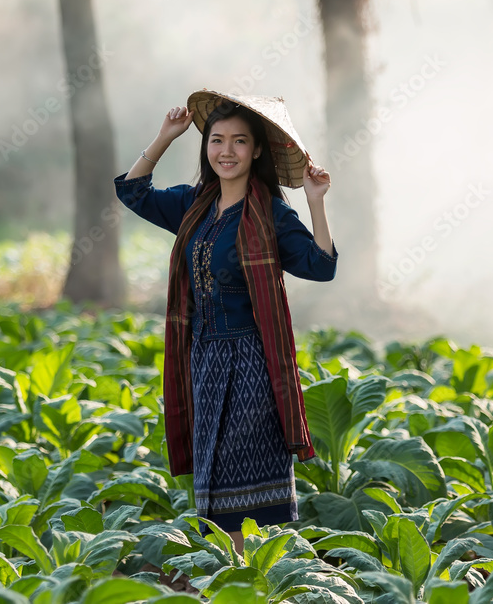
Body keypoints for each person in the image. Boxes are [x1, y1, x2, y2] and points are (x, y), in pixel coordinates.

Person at [113, 91, 338, 554]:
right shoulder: (193, 205)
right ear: (206, 148)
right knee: (213, 477)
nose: (227, 151)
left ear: (256, 151)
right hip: (201, 361)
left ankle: (245, 577)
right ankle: (237, 576)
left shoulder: (272, 214)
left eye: (239, 141)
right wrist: (164, 137)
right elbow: (132, 191)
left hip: (252, 363)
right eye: (217, 141)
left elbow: (320, 266)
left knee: (243, 481)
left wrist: (315, 202)